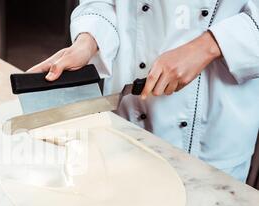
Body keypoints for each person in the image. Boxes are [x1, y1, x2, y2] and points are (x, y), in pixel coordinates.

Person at [29, 0, 259, 182]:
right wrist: (87, 41)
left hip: (212, 129)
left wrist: (208, 46)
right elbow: (104, 3)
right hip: (127, 117)